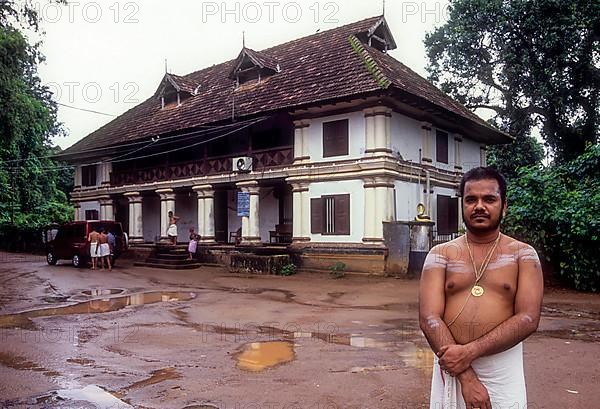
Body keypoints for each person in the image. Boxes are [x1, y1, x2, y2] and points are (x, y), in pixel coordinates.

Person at [419, 166, 543, 409]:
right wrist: (465, 373)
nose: (479, 206)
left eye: (489, 199)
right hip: (452, 364)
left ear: (504, 206)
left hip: (502, 369)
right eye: (471, 199)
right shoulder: (440, 255)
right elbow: (428, 317)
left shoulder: (523, 256)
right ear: (462, 205)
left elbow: (529, 318)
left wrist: (470, 352)